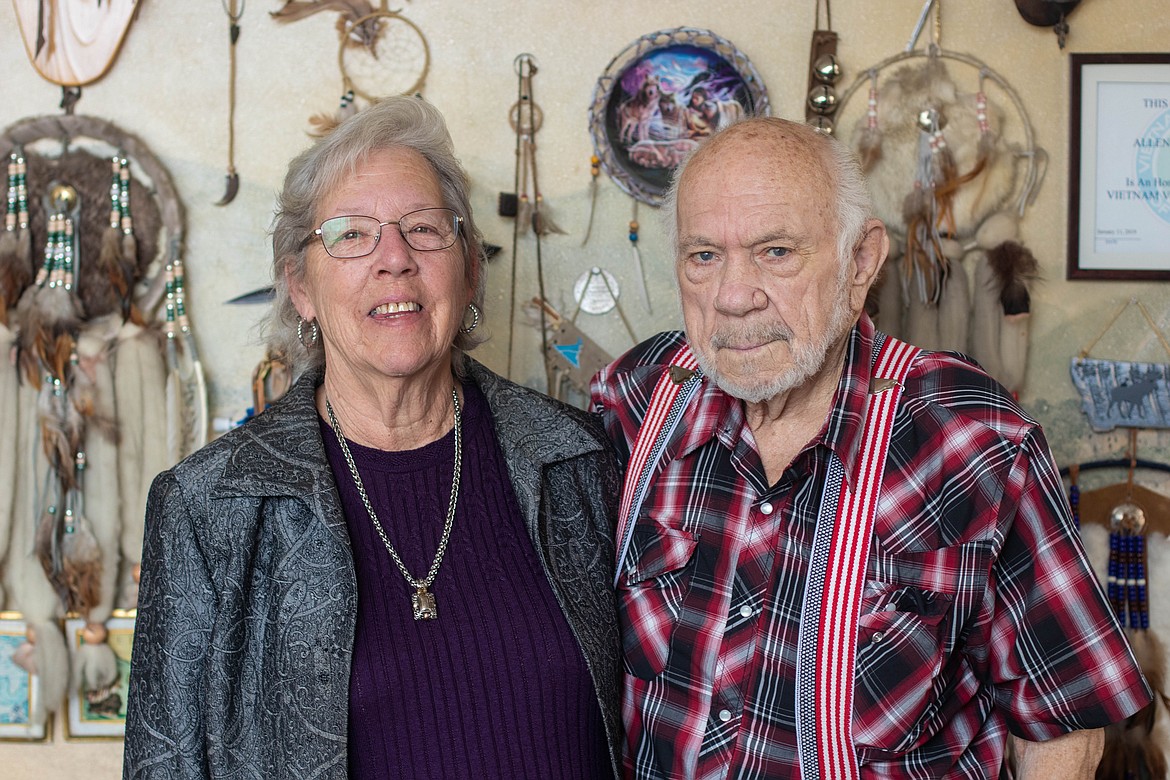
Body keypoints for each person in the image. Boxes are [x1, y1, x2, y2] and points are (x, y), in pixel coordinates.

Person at [589, 116, 1152, 779]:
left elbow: (1061, 728)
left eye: (776, 251)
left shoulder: (975, 441)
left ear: (860, 262)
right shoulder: (634, 401)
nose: (733, 297)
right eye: (703, 255)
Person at [124, 96, 622, 779]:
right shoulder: (210, 507)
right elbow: (165, 762)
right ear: (300, 284)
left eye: (423, 229)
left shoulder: (580, 460)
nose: (395, 259)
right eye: (352, 235)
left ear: (470, 267)